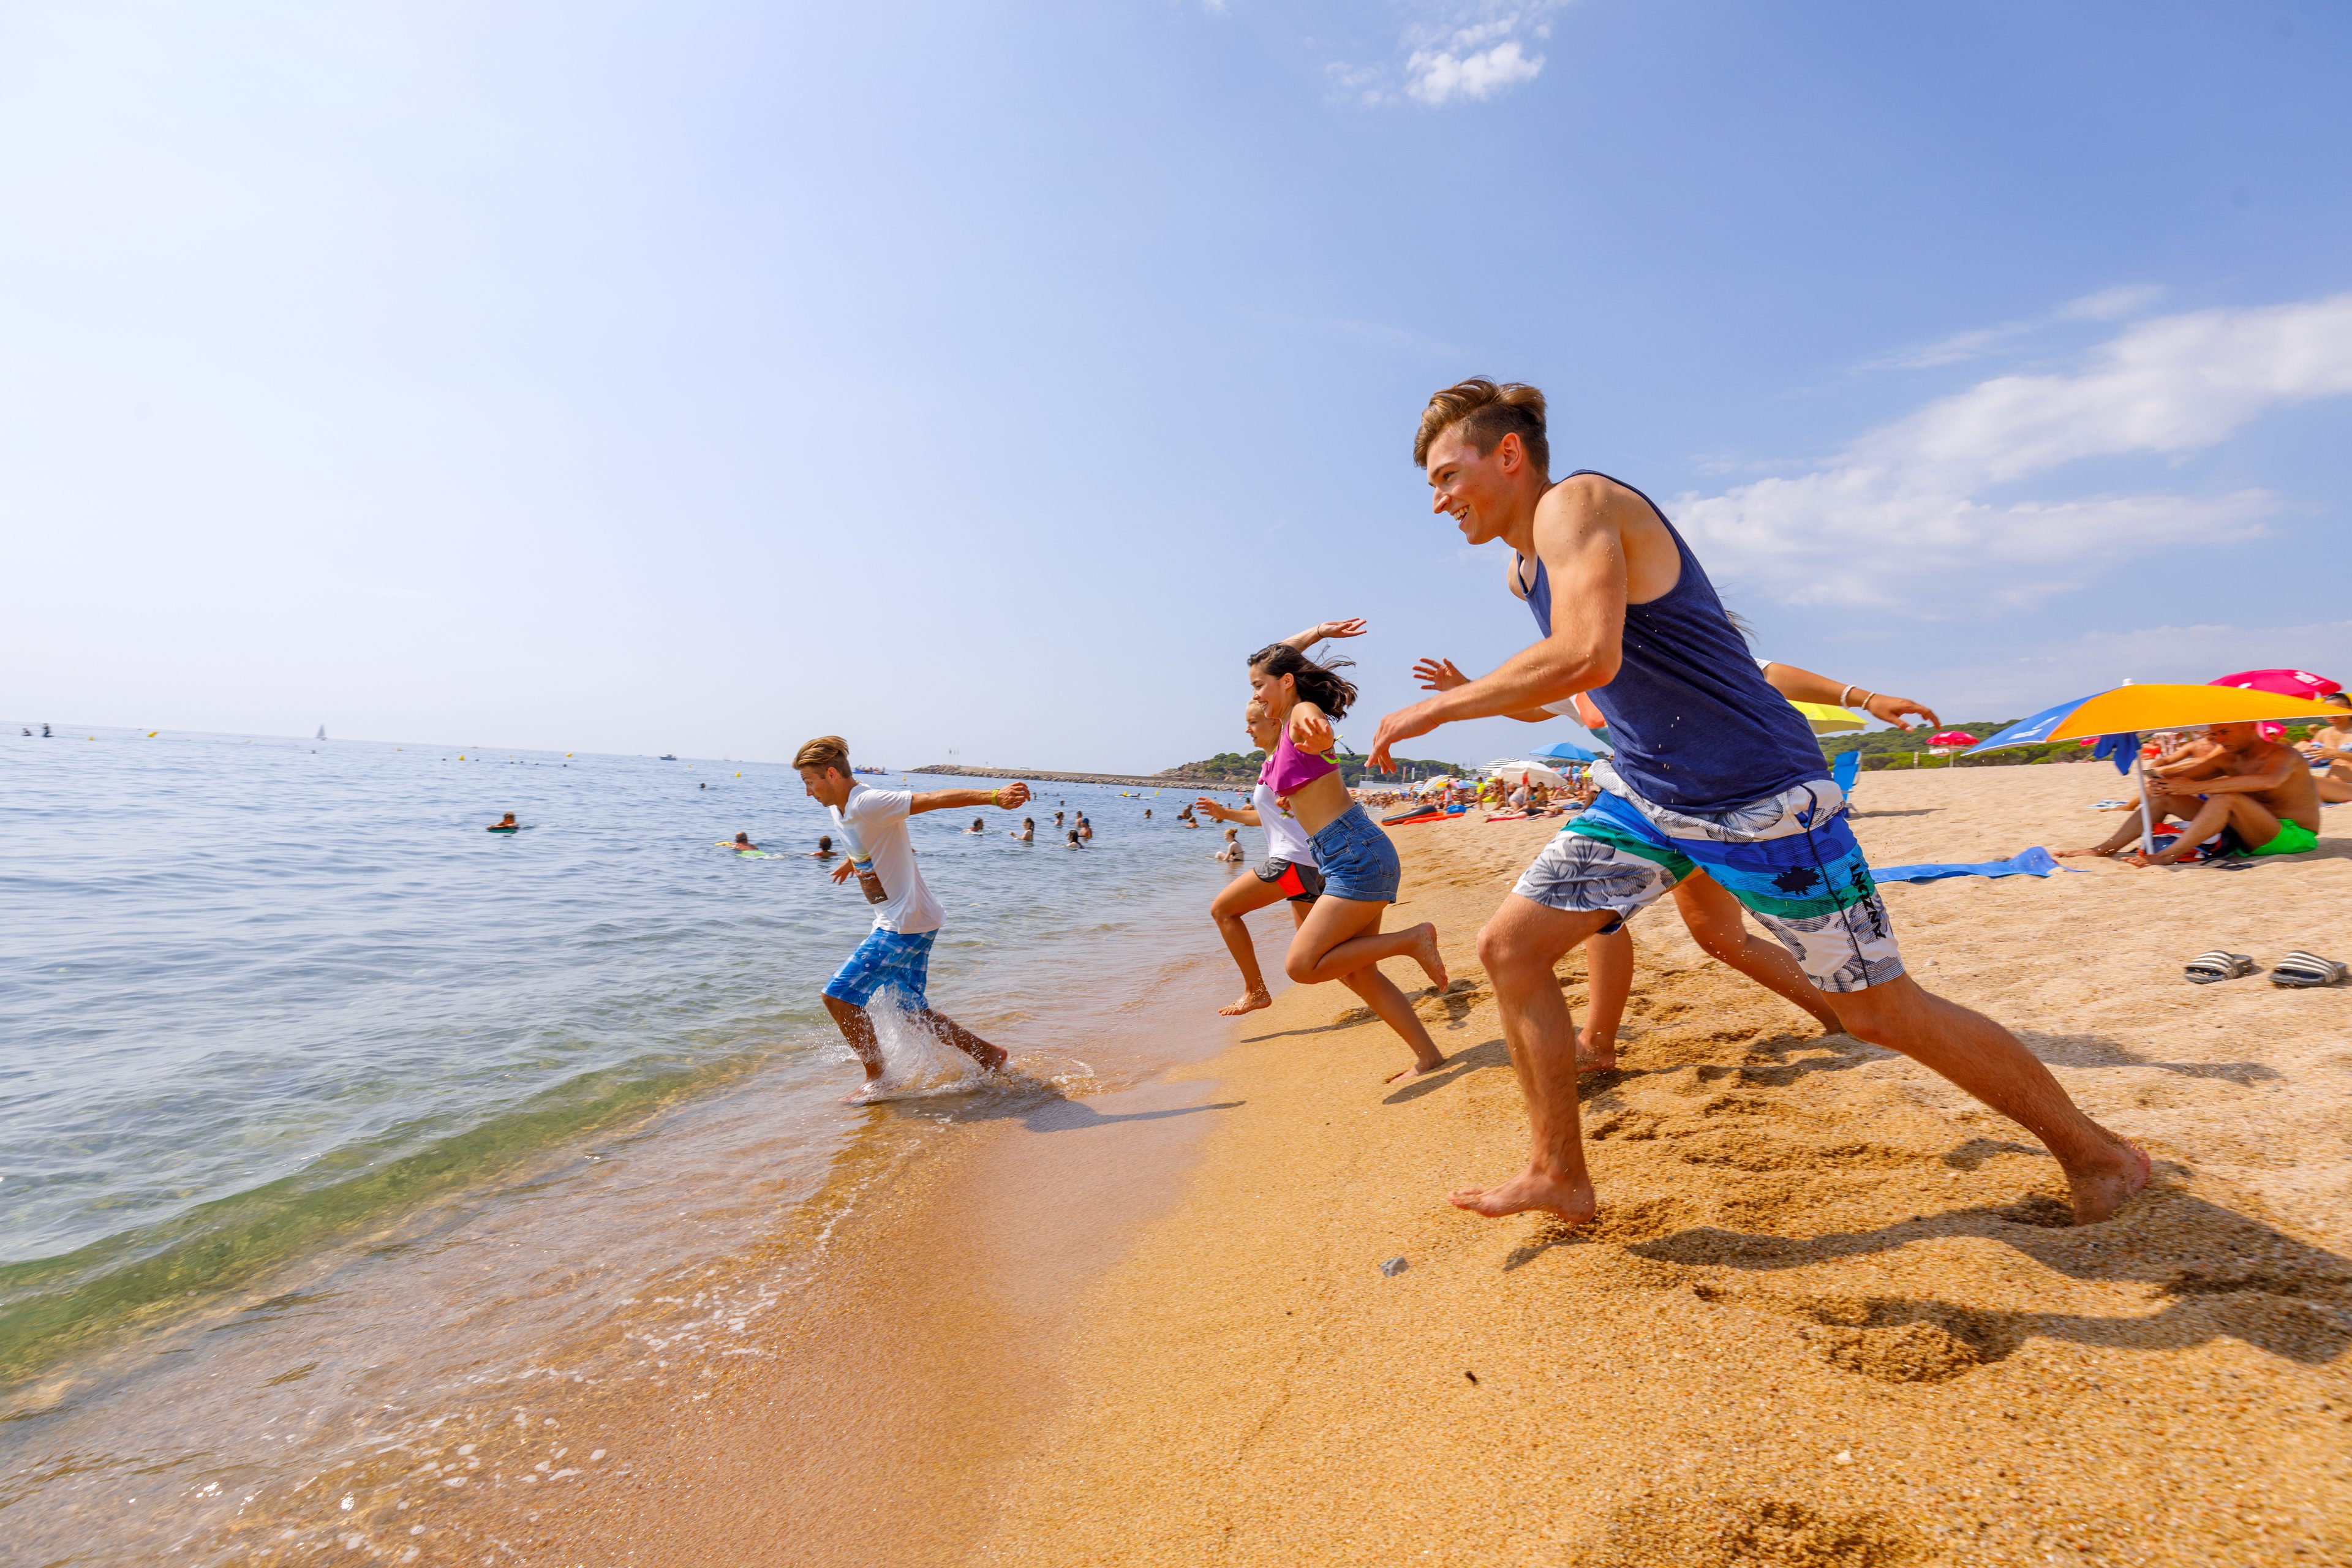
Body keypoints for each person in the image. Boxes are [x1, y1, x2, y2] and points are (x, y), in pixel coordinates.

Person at [1370, 378, 2146, 1225]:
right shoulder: (1527, 570)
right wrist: (1472, 694)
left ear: (1508, 454)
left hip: (1759, 797)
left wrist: (1440, 706)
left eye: (1448, 475)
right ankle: (1559, 1171)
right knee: (1511, 949)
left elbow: (1587, 655)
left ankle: (2099, 1154)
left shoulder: (1577, 504)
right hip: (1650, 789)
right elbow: (1581, 676)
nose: (1440, 501)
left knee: (1882, 1011)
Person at [1250, 636, 1450, 1079]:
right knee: (1359, 973)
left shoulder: (1300, 715)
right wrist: (1318, 631)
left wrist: (1318, 732)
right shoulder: (1282, 726)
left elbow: (1313, 720)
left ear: (1285, 683)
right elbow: (1282, 656)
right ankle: (1429, 1056)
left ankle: (1411, 940)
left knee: (1301, 966)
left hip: (1354, 853)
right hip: (1345, 853)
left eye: (1259, 686)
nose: (1255, 696)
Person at [795, 736, 1030, 1102]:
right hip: (910, 917)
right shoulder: (840, 807)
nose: (809, 792)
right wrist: (851, 860)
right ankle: (988, 1055)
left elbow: (933, 800)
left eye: (810, 782)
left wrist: (995, 797)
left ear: (830, 774)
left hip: (903, 922)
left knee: (838, 997)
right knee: (909, 1011)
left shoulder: (868, 802)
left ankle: (879, 1078)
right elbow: (866, 839)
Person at [2062, 721, 2323, 865]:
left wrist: (2195, 788)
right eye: (2214, 734)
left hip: (2290, 835)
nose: (2218, 739)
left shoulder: (2284, 755)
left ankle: (2167, 855)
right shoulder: (2226, 755)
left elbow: (2268, 782)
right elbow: (2188, 777)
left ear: (2250, 726)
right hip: (2246, 832)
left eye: (2225, 732)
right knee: (2164, 796)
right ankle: (2104, 849)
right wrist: (2159, 780)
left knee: (2226, 797)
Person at [2299, 693, 2352, 804]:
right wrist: (2301, 752)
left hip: (2348, 785)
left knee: (2307, 782)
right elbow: (2312, 761)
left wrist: (2337, 754)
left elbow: (2334, 754)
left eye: (2337, 708)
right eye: (2327, 709)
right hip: (2333, 785)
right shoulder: (2323, 733)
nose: (2331, 713)